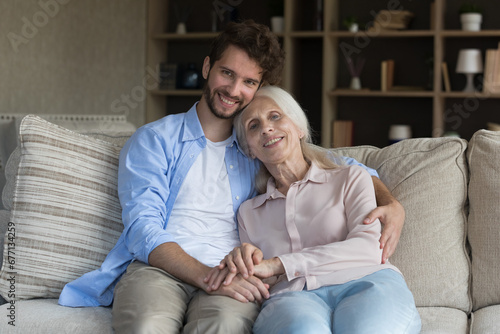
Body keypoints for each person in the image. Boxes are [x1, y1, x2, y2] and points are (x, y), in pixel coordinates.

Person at [58, 20, 405, 333]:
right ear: (208, 68)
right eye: (227, 73)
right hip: (159, 269)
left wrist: (390, 202)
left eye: (249, 81)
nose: (234, 89)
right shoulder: (154, 139)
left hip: (234, 273)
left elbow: (333, 164)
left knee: (224, 326)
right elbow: (142, 230)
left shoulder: (255, 144)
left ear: (258, 87)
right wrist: (207, 278)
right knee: (146, 325)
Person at [206, 85, 421, 333]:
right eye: (253, 126)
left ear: (299, 129)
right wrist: (242, 265)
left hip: (366, 282)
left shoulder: (351, 178)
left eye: (275, 116)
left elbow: (368, 248)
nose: (266, 128)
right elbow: (258, 277)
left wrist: (277, 264)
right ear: (249, 150)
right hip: (292, 299)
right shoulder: (248, 213)